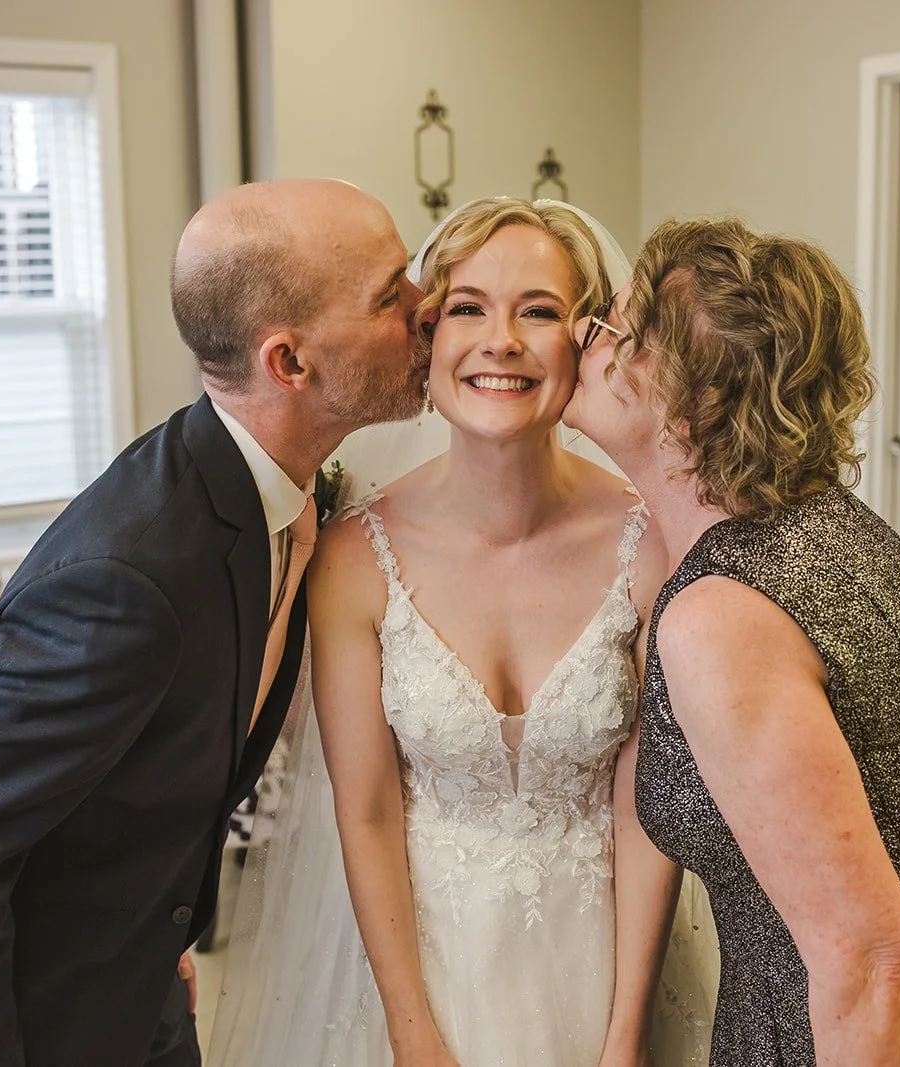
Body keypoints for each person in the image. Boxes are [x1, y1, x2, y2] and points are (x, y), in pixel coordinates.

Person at [0, 178, 428, 1067]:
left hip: (135, 974)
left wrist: (162, 928)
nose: (427, 310)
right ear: (289, 362)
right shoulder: (131, 580)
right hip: (23, 1021)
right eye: (391, 294)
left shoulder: (278, 497)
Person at [564, 216, 900, 1066]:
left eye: (617, 332)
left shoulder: (721, 615)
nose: (581, 338)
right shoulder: (833, 526)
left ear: (694, 404)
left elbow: (872, 958)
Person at [208, 197, 715, 1066]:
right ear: (427, 336)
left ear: (586, 341)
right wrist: (412, 1032)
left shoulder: (648, 545)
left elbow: (646, 806)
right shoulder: (355, 559)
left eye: (541, 311)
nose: (502, 340)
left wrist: (627, 1030)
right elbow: (364, 813)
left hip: (612, 967)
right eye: (469, 307)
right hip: (424, 975)